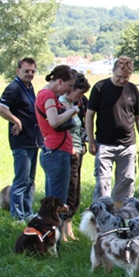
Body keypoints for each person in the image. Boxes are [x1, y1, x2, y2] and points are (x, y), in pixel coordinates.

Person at [85, 56, 139, 210]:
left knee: (126, 181)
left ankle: (120, 214)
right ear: (113, 72)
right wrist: (91, 139)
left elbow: (138, 116)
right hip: (104, 143)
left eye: (126, 77)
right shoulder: (100, 88)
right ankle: (100, 214)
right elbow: (89, 115)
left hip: (127, 144)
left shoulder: (132, 89)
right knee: (103, 183)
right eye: (119, 77)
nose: (122, 81)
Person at [0, 57, 43, 221]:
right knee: (22, 180)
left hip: (33, 140)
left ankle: (28, 212)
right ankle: (17, 214)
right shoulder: (14, 88)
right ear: (18, 71)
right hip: (21, 141)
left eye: (32, 71)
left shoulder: (29, 87)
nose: (30, 74)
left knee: (30, 180)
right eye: (26, 71)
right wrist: (15, 120)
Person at [36, 65, 78, 205]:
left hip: (54, 151)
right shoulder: (48, 95)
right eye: (69, 85)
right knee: (57, 204)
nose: (69, 90)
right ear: (60, 81)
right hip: (57, 153)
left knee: (52, 202)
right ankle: (54, 227)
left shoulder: (45, 94)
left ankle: (51, 226)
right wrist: (71, 110)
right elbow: (54, 121)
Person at [58, 72, 91, 240]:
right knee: (70, 191)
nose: (81, 97)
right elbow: (62, 129)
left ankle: (69, 228)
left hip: (78, 151)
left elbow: (79, 129)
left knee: (76, 191)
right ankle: (63, 230)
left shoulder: (74, 105)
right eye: (80, 92)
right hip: (70, 153)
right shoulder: (62, 105)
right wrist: (72, 149)